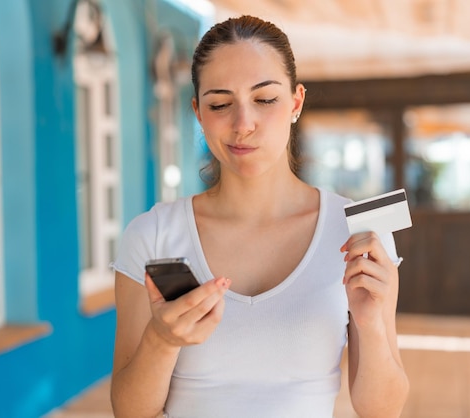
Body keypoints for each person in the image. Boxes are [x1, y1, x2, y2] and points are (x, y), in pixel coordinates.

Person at [110, 15, 409, 418]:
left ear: (296, 103)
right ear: (198, 112)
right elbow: (129, 411)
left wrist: (371, 323)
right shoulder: (153, 236)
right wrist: (161, 340)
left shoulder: (358, 232)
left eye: (265, 99)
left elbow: (382, 411)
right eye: (220, 104)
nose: (243, 124)